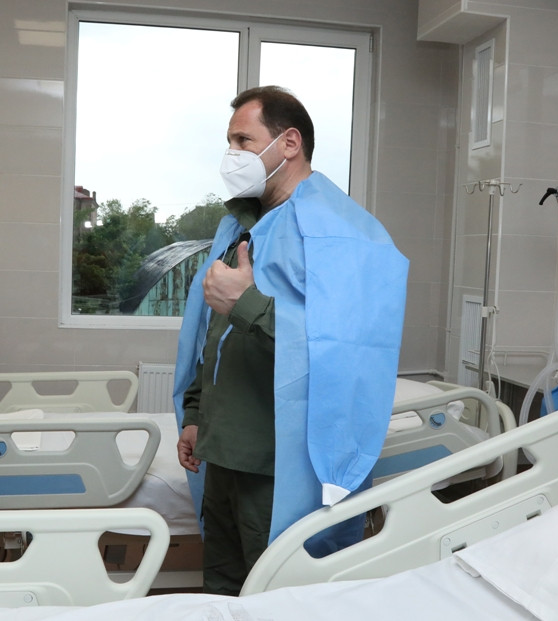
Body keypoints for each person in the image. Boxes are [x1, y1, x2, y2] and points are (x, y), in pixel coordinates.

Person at [173, 85, 409, 595]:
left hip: (279, 463)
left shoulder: (344, 233)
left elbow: (346, 350)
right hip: (223, 452)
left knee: (279, 596)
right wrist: (195, 414)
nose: (232, 154)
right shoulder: (240, 226)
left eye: (243, 140)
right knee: (224, 591)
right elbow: (215, 337)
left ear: (290, 143)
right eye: (229, 142)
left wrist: (247, 303)